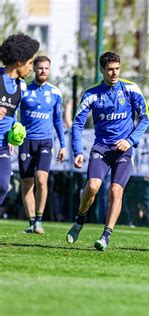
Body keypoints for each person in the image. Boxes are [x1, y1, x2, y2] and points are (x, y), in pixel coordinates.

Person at [66, 51, 149, 251]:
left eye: (117, 69)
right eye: (110, 69)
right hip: (101, 148)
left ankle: (106, 235)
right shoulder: (91, 93)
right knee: (93, 187)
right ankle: (79, 220)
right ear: (102, 70)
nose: (114, 73)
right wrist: (77, 150)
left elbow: (145, 118)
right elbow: (77, 124)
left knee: (115, 190)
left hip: (123, 151)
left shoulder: (131, 89)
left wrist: (130, 140)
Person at [19, 56, 66, 234]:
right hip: (26, 141)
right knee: (27, 183)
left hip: (45, 141)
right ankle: (31, 222)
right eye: (40, 68)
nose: (43, 71)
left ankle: (39, 220)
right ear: (35, 69)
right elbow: (13, 114)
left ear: (49, 69)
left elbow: (58, 120)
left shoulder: (55, 93)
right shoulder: (23, 89)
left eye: (46, 68)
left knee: (41, 179)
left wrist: (62, 145)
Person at [0, 33, 39, 206]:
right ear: (19, 61)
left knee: (2, 186)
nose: (31, 68)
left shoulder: (21, 86)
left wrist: (15, 128)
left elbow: (12, 112)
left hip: (2, 145)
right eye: (30, 62)